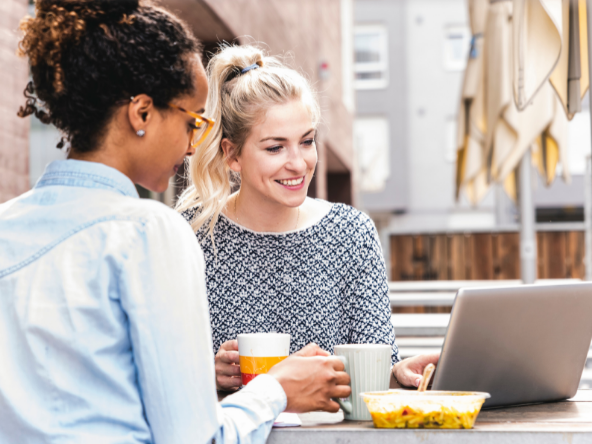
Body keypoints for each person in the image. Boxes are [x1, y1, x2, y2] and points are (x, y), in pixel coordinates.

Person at [0, 1, 351, 443]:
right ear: (142, 113)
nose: (192, 146)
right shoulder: (150, 231)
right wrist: (277, 389)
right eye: (193, 121)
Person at [176, 45, 439, 392]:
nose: (298, 163)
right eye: (275, 147)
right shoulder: (190, 236)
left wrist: (398, 372)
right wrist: (208, 375)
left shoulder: (352, 233)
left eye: (307, 141)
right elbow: (166, 373)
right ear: (232, 155)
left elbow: (375, 363)